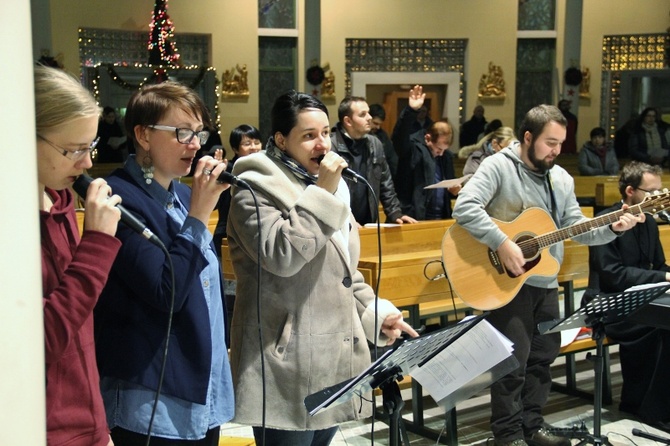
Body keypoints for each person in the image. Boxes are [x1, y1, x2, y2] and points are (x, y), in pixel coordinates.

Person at [226, 90, 418, 446]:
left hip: (334, 355)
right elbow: (280, 255)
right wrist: (323, 193)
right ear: (281, 140)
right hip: (286, 361)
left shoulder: (329, 188)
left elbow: (344, 271)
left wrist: (376, 312)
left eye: (326, 133)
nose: (322, 144)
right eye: (309, 135)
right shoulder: (252, 185)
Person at [452, 104, 642, 446]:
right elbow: (464, 207)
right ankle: (507, 436)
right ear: (528, 137)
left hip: (544, 279)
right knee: (513, 362)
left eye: (561, 144)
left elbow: (576, 229)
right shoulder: (498, 167)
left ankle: (531, 426)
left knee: (542, 356)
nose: (556, 151)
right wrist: (503, 242)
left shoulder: (560, 178)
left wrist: (613, 226)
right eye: (550, 143)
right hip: (504, 283)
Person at [94, 81, 234, 445]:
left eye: (199, 133)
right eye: (182, 133)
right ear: (142, 134)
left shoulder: (184, 194)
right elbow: (165, 291)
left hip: (202, 382)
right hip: (155, 391)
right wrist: (201, 215)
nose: (195, 144)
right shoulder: (118, 197)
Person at [36, 65, 121, 446]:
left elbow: (79, 329)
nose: (87, 163)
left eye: (91, 148)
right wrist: (98, 243)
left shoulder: (61, 199)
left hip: (87, 418)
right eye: (73, 149)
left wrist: (98, 424)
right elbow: (45, 338)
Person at [584, 161, 670, 433]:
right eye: (652, 191)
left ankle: (653, 404)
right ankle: (647, 409)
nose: (659, 197)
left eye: (661, 191)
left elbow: (658, 265)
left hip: (642, 298)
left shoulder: (649, 222)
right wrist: (663, 278)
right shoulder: (607, 221)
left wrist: (666, 274)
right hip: (607, 304)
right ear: (630, 191)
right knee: (661, 326)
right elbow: (613, 275)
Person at [330, 96, 416, 226]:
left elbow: (385, 182)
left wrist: (395, 213)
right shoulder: (331, 146)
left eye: (368, 112)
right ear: (348, 121)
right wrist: (347, 220)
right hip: (339, 226)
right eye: (363, 114)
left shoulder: (375, 143)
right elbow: (329, 192)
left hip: (368, 223)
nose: (369, 117)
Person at [393, 85, 460, 220]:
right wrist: (411, 110)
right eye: (438, 149)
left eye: (444, 150)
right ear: (428, 138)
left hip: (442, 216)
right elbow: (399, 136)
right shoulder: (413, 150)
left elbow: (448, 185)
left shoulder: (445, 156)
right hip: (414, 216)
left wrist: (454, 191)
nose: (440, 153)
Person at [212, 124, 262, 253]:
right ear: (235, 148)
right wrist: (216, 177)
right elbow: (215, 205)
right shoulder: (228, 169)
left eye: (257, 142)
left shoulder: (264, 169)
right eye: (247, 143)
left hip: (256, 234)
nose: (254, 147)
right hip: (227, 234)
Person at [369, 103, 398, 177]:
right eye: (375, 123)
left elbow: (391, 159)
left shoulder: (382, 136)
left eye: (380, 124)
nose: (378, 127)